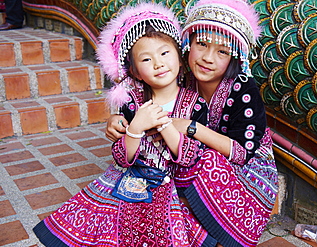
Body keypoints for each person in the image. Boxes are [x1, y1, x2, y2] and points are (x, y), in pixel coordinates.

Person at [33, 3, 210, 246]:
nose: (158, 63)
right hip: (132, 177)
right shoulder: (133, 102)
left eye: (165, 53)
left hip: (171, 183)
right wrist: (135, 128)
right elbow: (121, 156)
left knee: (164, 228)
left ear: (180, 58)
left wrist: (165, 126)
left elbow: (192, 156)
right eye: (146, 59)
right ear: (136, 72)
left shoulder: (195, 104)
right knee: (109, 223)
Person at [106, 0, 279, 246]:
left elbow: (241, 152)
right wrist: (117, 119)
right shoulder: (178, 73)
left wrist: (190, 127)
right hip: (186, 151)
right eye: (202, 44)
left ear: (235, 57)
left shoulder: (243, 89)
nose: (208, 58)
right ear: (187, 44)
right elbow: (132, 89)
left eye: (222, 51)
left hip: (240, 165)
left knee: (204, 161)